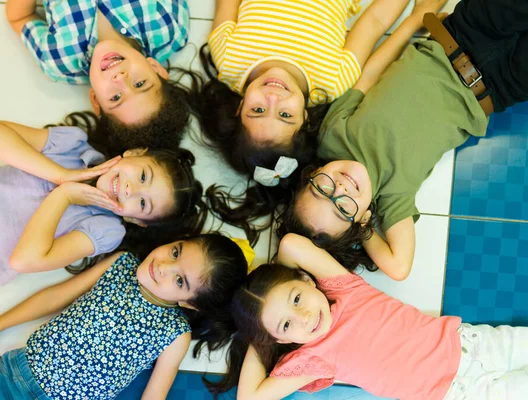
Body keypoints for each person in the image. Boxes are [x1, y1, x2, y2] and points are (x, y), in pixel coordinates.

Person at [281, 0, 528, 280]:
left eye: (322, 190)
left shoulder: (333, 136)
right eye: (342, 208)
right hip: (499, 86)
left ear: (311, 174)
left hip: (460, 35)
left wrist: (413, 23)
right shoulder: (391, 197)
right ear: (359, 218)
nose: (341, 189)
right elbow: (399, 268)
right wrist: (365, 229)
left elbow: (370, 74)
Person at [197, 0, 444, 245]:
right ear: (305, 117)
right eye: (285, 115)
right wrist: (416, 18)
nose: (273, 98)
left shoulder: (227, 58)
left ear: (239, 107)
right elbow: (374, 22)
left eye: (258, 109)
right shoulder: (333, 81)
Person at [214, 234, 528, 400]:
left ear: (307, 279)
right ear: (282, 339)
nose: (305, 316)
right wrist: (260, 336)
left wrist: (272, 288)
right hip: (460, 394)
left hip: (474, 345)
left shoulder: (345, 289)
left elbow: (292, 245)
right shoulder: (312, 360)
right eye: (286, 324)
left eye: (296, 299)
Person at [0, 234, 249, 399]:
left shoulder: (176, 333)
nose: (163, 267)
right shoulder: (121, 264)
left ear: (191, 305)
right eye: (175, 253)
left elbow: (155, 394)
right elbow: (57, 296)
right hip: (12, 378)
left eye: (180, 281)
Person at [0, 118, 204, 289]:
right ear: (133, 153)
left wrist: (64, 195)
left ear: (136, 221)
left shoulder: (105, 229)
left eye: (143, 203)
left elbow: (24, 261)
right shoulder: (73, 146)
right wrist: (60, 175)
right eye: (143, 175)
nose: (132, 189)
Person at [5, 0, 198, 150]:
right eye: (139, 84)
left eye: (115, 97)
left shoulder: (60, 61)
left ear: (96, 100)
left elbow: (19, 17)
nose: (120, 79)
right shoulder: (170, 29)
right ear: (156, 69)